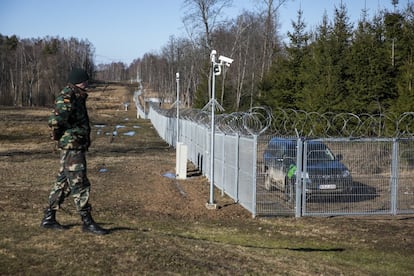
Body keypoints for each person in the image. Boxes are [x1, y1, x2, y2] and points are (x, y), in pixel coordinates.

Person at [40, 68, 109, 235]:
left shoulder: (77, 95)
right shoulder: (68, 96)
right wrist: (61, 135)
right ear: (79, 80)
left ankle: (49, 218)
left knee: (63, 183)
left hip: (75, 145)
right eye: (86, 80)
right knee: (79, 182)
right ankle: (87, 221)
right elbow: (55, 119)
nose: (88, 83)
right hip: (72, 147)